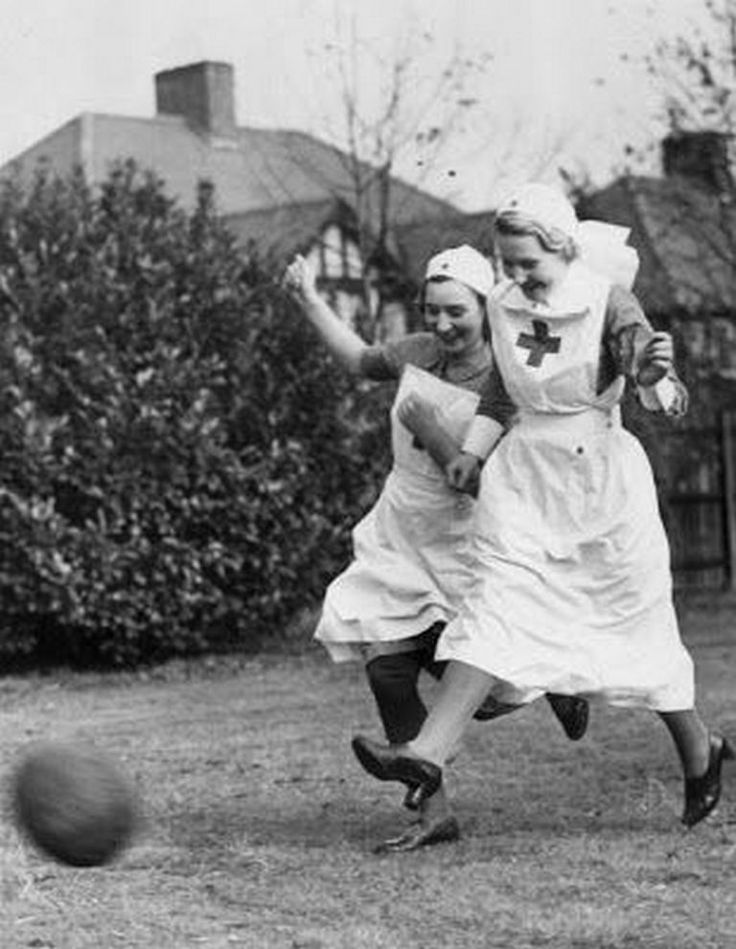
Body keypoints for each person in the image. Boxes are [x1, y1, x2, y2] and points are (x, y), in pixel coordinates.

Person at [351, 183, 733, 829]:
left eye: (530, 263)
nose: (518, 278)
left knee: (634, 632)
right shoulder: (501, 303)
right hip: (524, 480)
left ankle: (701, 749)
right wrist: (473, 450)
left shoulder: (606, 299)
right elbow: (503, 390)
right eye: (507, 264)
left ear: (564, 248)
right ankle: (425, 752)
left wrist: (650, 379)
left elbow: (659, 384)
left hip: (599, 485)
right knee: (495, 606)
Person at [282, 246, 589, 852]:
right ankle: (434, 815)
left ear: (487, 308)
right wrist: (309, 298)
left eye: (458, 313)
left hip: (475, 533)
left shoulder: (509, 373)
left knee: (477, 688)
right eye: (432, 311)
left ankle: (552, 678)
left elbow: (485, 479)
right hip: (404, 529)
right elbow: (361, 359)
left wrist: (433, 431)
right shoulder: (419, 352)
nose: (443, 326)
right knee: (389, 668)